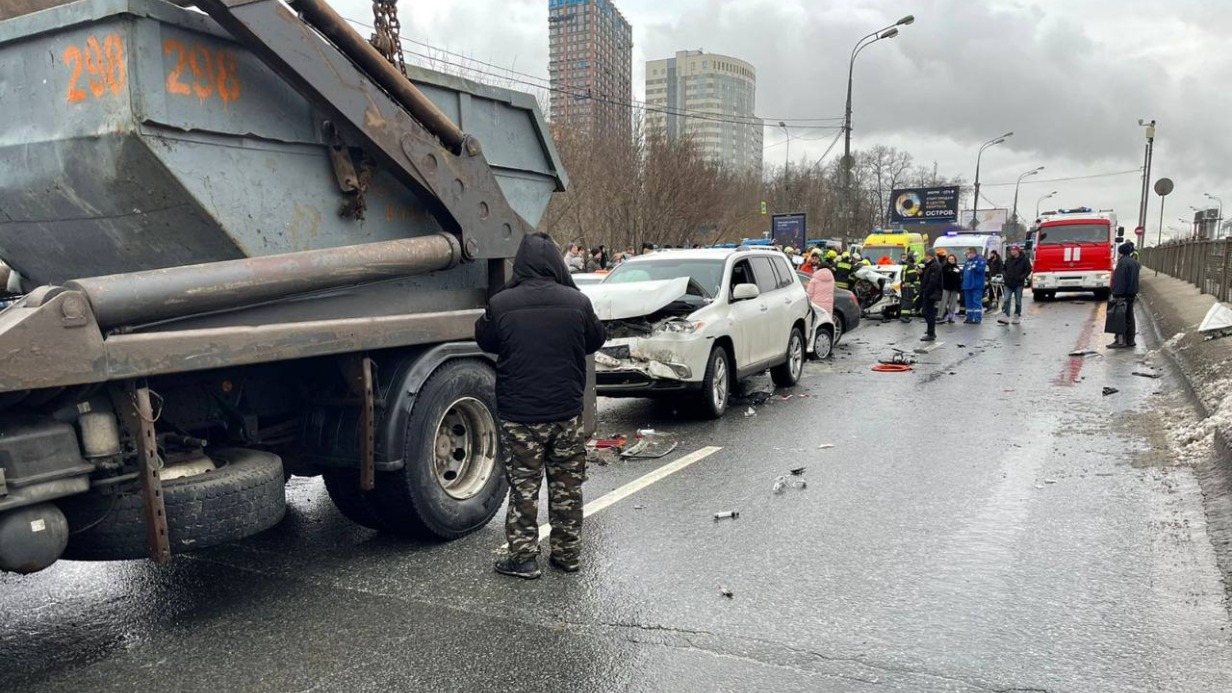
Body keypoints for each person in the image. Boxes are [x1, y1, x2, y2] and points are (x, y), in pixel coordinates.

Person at [475, 233, 607, 579]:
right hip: (565, 413)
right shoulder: (577, 302)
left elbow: (485, 340)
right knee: (567, 485)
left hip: (520, 416)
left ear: (520, 264)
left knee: (524, 486)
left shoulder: (501, 303)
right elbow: (596, 339)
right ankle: (567, 554)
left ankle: (523, 558)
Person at [1108, 241, 1141, 348]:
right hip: (1132, 293)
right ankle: (1130, 340)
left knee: (1120, 318)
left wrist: (1115, 293)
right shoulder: (1135, 263)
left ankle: (1120, 341)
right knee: (1130, 317)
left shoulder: (1122, 263)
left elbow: (1120, 280)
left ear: (1121, 252)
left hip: (1123, 294)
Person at [1001, 244, 1031, 324]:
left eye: (1014, 250)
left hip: (1018, 283)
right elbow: (1003, 269)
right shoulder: (1008, 260)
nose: (1012, 251)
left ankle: (1017, 315)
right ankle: (1006, 316)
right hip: (1008, 283)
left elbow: (1028, 270)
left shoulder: (1025, 260)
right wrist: (1005, 275)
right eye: (1011, 250)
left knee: (1018, 300)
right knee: (1006, 299)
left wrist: (1022, 277)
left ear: (1018, 251)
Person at [919, 249, 943, 341]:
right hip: (930, 292)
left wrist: (926, 291)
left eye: (926, 256)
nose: (925, 258)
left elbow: (933, 281)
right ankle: (930, 331)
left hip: (931, 293)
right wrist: (921, 274)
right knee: (927, 312)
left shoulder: (935, 266)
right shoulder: (930, 265)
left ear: (929, 256)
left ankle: (931, 333)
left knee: (928, 312)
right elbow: (926, 278)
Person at [961, 247, 987, 324]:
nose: (967, 255)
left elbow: (981, 270)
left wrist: (975, 267)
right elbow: (964, 272)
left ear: (973, 253)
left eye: (968, 253)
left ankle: (977, 317)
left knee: (976, 301)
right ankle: (969, 317)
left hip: (976, 285)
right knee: (968, 302)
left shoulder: (980, 260)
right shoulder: (967, 262)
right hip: (967, 285)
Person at [941, 253, 962, 323]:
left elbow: (959, 278)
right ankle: (941, 316)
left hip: (954, 288)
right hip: (946, 287)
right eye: (950, 259)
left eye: (952, 259)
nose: (951, 260)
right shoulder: (945, 267)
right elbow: (946, 275)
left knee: (953, 303)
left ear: (955, 260)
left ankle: (951, 317)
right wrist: (954, 272)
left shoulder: (957, 267)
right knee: (943, 302)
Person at [899, 252, 919, 323]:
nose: (916, 258)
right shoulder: (911, 265)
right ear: (911, 257)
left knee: (905, 300)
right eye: (915, 257)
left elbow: (901, 276)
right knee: (908, 301)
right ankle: (904, 316)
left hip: (904, 285)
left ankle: (905, 316)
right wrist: (917, 274)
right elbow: (913, 277)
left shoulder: (905, 264)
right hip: (908, 285)